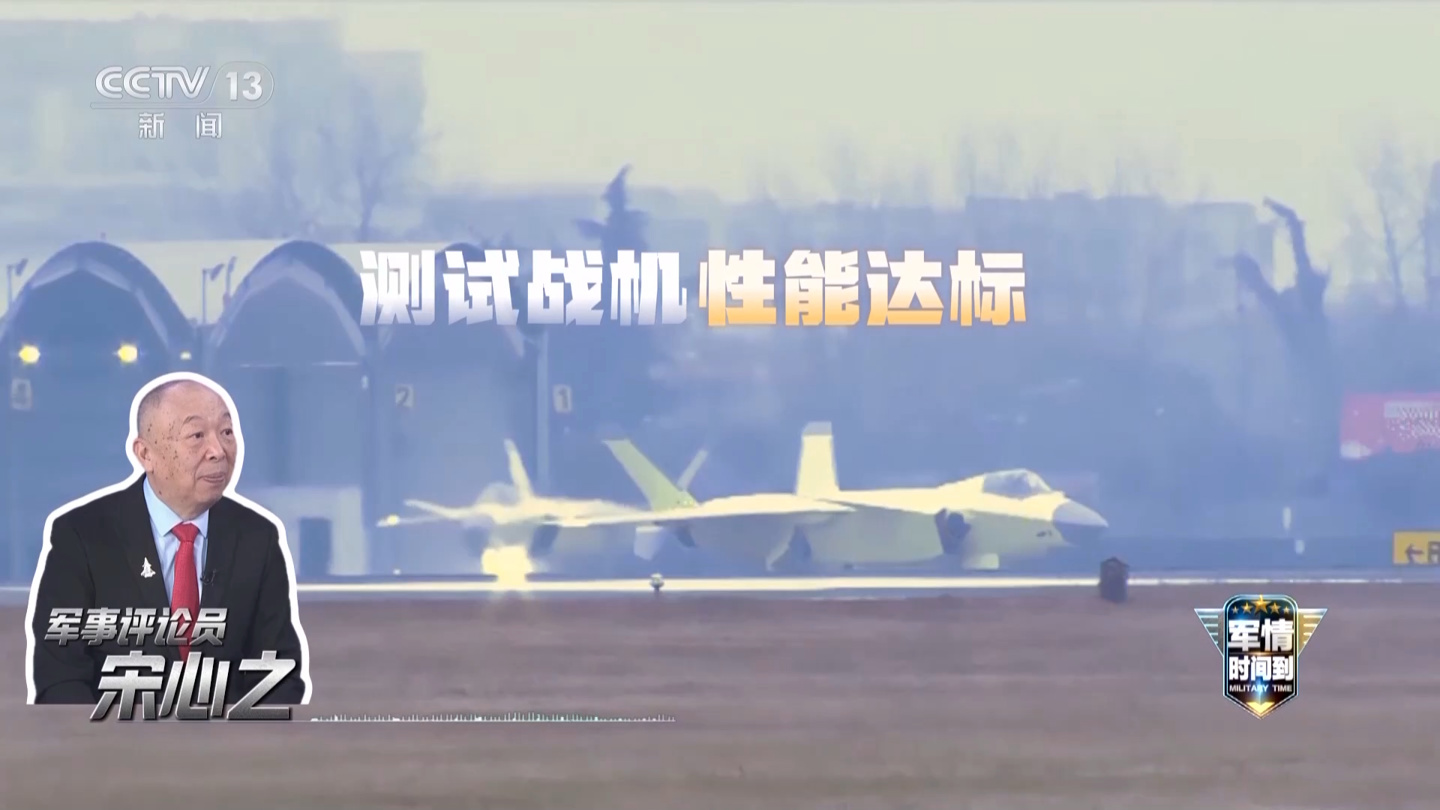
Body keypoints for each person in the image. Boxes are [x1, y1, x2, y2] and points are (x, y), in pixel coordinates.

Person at [26, 373, 311, 706]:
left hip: (229, 737)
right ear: (146, 454)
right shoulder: (81, 537)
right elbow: (60, 681)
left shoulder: (257, 538)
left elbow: (279, 675)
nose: (218, 451)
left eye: (226, 432)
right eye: (197, 435)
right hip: (115, 735)